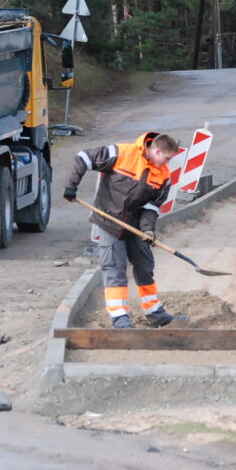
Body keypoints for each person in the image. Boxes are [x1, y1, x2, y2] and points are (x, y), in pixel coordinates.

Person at [63, 132, 180, 329]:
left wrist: (148, 230)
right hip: (109, 221)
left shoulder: (164, 175)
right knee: (114, 268)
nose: (167, 163)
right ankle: (120, 318)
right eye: (166, 158)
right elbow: (83, 157)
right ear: (157, 150)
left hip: (134, 226)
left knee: (145, 265)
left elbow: (151, 208)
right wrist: (71, 186)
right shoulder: (121, 153)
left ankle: (154, 313)